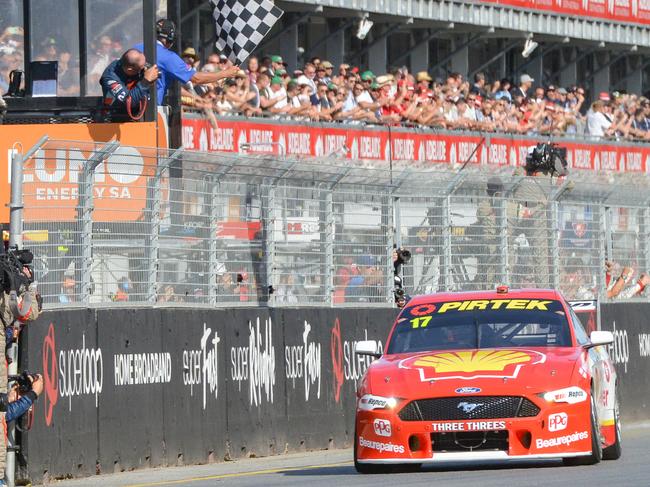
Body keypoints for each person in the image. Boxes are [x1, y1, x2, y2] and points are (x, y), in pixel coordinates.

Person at [134, 19, 239, 105]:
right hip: (152, 111)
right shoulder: (168, 57)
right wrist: (225, 73)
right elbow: (196, 78)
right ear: (170, 38)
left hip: (130, 105)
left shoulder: (135, 49)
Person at [100, 48, 159, 120]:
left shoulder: (137, 65)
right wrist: (145, 81)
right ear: (130, 70)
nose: (145, 69)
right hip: (114, 118)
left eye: (145, 64)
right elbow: (129, 102)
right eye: (141, 68)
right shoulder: (110, 77)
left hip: (140, 115)